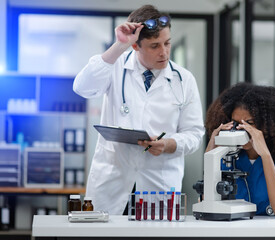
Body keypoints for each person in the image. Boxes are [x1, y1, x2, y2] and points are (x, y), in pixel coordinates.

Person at [73, 5, 204, 215]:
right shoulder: (114, 66)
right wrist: (118, 46)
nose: (164, 52)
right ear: (135, 46)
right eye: (154, 46)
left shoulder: (184, 80)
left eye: (167, 43)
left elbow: (195, 134)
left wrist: (169, 144)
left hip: (158, 184)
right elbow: (82, 87)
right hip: (112, 181)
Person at [205, 82, 275, 218]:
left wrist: (265, 154)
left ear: (269, 125)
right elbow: (206, 203)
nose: (241, 128)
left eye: (249, 123)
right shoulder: (225, 155)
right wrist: (211, 150)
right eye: (236, 123)